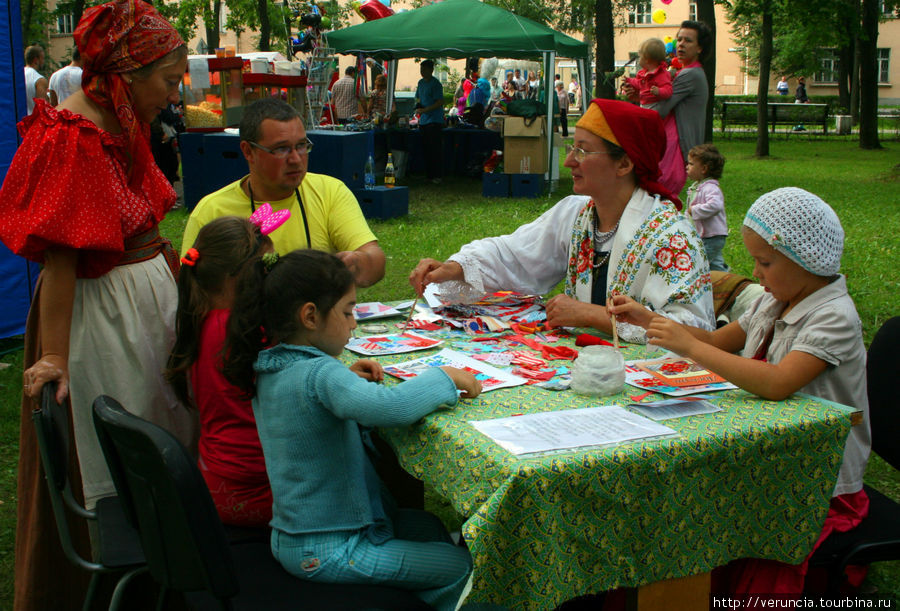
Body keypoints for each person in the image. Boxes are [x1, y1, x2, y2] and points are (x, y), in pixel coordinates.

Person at [0, 1, 195, 609]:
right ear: (129, 74)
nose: (174, 94)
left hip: (139, 297)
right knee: (121, 438)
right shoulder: (72, 136)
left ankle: (170, 568)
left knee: (166, 425)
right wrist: (54, 356)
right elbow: (61, 262)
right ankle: (126, 577)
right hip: (99, 313)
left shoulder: (121, 120)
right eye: (167, 80)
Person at [609, 187, 870, 594]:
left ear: (805, 261)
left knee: (738, 548)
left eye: (764, 262)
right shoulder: (774, 299)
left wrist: (691, 347)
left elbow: (778, 383)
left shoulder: (833, 316)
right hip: (768, 452)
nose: (756, 272)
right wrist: (649, 320)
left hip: (818, 479)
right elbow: (717, 344)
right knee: (687, 510)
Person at [222, 249, 479, 610]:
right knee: (463, 568)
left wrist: (345, 377)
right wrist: (445, 378)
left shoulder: (273, 366)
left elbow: (311, 404)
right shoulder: (320, 375)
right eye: (347, 312)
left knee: (428, 527)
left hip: (305, 535)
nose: (354, 323)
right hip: (332, 548)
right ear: (310, 316)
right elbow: (390, 408)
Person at [409, 99, 714, 344]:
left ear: (624, 164)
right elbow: (514, 256)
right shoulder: (577, 214)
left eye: (582, 150)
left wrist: (594, 315)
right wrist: (455, 268)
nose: (569, 161)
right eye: (572, 148)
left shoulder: (672, 235)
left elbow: (692, 329)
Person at [183, 97, 386, 287]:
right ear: (248, 151)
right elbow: (191, 289)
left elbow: (375, 259)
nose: (296, 159)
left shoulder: (330, 191)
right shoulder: (211, 211)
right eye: (281, 149)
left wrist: (358, 263)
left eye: (301, 146)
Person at [167, 216, 277, 527]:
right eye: (267, 265)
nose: (274, 273)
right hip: (257, 492)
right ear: (236, 279)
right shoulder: (249, 333)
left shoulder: (202, 319)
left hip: (217, 482)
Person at [627, 20, 711, 197]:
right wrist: (639, 96)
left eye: (688, 41)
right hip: (675, 147)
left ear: (699, 48)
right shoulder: (689, 72)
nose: (680, 44)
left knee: (659, 197)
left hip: (676, 148)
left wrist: (639, 103)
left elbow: (660, 110)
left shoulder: (689, 75)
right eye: (679, 39)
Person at [685, 144, 728, 272]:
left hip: (711, 237)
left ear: (704, 168)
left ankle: (696, 280)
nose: (687, 167)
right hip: (709, 236)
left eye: (691, 164)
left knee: (698, 262)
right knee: (716, 265)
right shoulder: (698, 187)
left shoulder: (710, 188)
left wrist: (695, 210)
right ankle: (724, 280)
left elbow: (716, 206)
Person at [415, 59, 445, 184]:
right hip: (423, 121)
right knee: (426, 149)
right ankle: (429, 175)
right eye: (421, 69)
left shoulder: (436, 84)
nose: (422, 72)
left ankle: (437, 175)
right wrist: (418, 106)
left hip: (434, 120)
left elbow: (440, 102)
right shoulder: (421, 83)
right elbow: (418, 97)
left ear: (431, 70)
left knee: (435, 149)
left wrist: (426, 109)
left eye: (424, 69)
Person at [623, 38, 673, 111]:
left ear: (647, 60)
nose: (638, 59)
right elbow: (638, 83)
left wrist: (659, 91)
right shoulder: (644, 74)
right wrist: (629, 80)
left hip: (655, 105)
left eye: (640, 57)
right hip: (644, 104)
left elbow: (668, 90)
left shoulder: (660, 74)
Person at [23, 44, 48, 115]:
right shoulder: (39, 80)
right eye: (42, 58)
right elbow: (43, 108)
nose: (43, 62)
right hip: (33, 122)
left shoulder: (18, 76)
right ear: (36, 60)